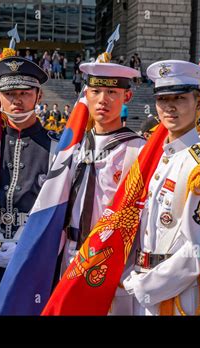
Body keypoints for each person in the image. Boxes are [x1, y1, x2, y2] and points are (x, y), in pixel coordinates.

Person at [122, 60, 200, 316]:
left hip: (175, 294)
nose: (170, 107)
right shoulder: (158, 156)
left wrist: (147, 286)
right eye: (163, 99)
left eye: (179, 98)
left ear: (199, 103)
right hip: (143, 281)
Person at [60, 60, 145, 315]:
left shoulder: (138, 150)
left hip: (112, 261)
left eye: (112, 93)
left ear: (127, 96)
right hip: (70, 254)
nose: (103, 100)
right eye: (96, 92)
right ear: (85, 95)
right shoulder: (70, 146)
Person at [0, 56, 57, 309]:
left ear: (38, 96)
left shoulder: (58, 148)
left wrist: (26, 247)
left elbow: (64, 215)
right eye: (9, 93)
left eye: (25, 93)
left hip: (36, 260)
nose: (17, 100)